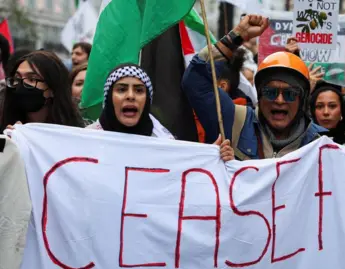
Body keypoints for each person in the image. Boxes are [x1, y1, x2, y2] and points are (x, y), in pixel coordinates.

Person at [182, 14, 328, 160]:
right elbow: (195, 80)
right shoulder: (234, 121)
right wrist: (238, 36)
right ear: (259, 95)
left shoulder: (320, 145)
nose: (279, 100)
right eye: (270, 92)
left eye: (290, 94)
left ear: (301, 99)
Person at [88, 64, 234, 161]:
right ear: (109, 99)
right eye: (121, 89)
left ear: (147, 100)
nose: (130, 96)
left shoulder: (165, 144)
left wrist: (212, 159)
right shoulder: (87, 141)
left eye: (139, 90)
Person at [1, 50, 83, 131]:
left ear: (52, 89)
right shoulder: (4, 121)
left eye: (32, 79)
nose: (21, 85)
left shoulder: (73, 131)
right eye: (17, 78)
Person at [310, 82, 345, 149]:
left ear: (341, 111)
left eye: (332, 106)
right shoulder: (303, 143)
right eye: (319, 106)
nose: (326, 112)